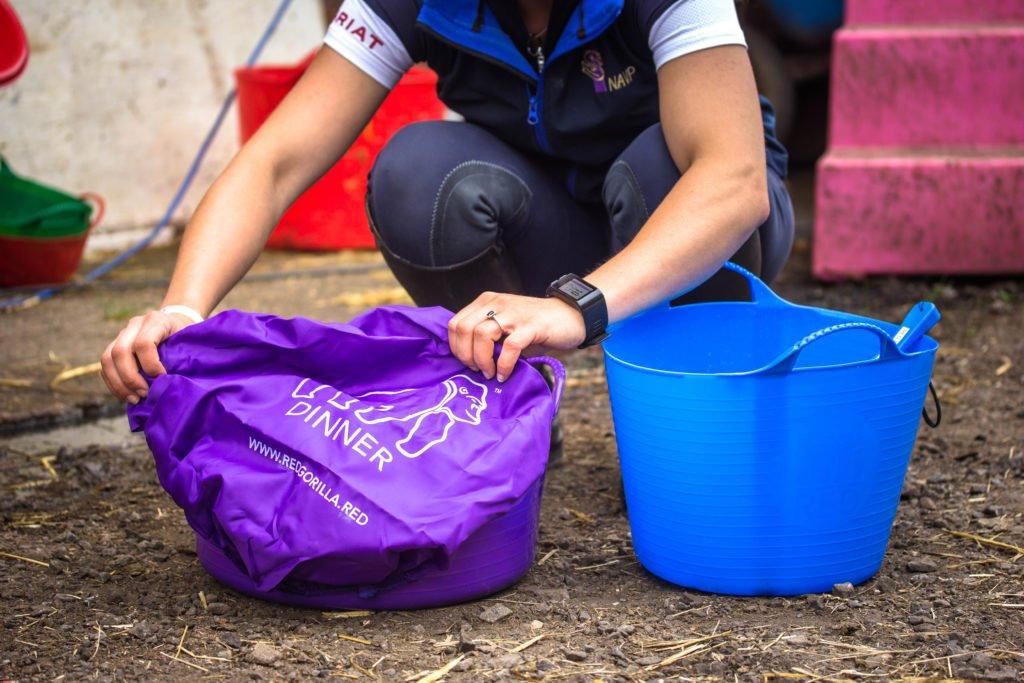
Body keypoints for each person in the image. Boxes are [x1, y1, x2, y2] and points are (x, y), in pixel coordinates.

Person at [100, 0, 793, 404]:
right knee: (418, 172)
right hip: (556, 226)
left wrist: (577, 306)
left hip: (686, 229)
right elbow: (275, 162)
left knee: (661, 165)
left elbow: (733, 181)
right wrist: (182, 310)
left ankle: (699, 412)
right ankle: (505, 410)